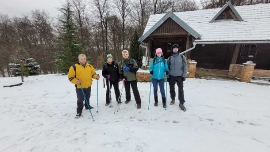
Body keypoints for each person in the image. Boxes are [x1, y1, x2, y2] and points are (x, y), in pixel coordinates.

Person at [168, 44, 188, 111]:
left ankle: (181, 102)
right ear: (172, 49)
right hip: (171, 76)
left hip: (179, 76)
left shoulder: (182, 57)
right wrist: (168, 76)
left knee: (181, 90)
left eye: (176, 48)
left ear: (178, 49)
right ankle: (173, 99)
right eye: (174, 48)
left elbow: (185, 67)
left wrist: (184, 75)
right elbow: (167, 68)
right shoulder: (170, 58)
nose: (175, 49)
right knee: (171, 88)